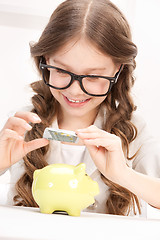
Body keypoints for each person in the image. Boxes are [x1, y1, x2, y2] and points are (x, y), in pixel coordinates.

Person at [0, 0, 160, 216]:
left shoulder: (135, 131)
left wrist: (122, 174)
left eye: (93, 76)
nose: (75, 91)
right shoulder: (22, 123)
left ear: (118, 71)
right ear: (45, 61)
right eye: (62, 71)